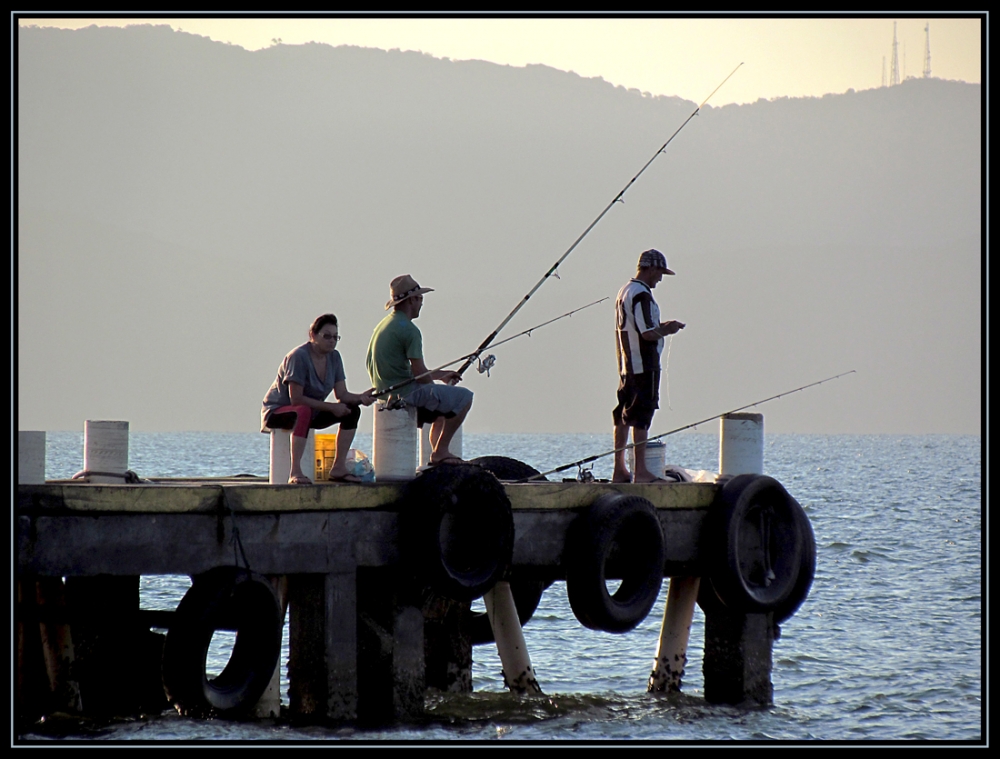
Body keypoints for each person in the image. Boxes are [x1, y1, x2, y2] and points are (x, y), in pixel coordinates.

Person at [366, 274, 473, 466]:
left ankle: (438, 454)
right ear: (412, 300)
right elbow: (420, 375)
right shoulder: (409, 330)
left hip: (387, 392)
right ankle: (440, 452)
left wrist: (441, 376)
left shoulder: (383, 326)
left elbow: (410, 371)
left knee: (440, 414)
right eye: (421, 299)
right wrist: (438, 391)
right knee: (464, 397)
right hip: (404, 395)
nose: (422, 304)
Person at [261, 314, 376, 484]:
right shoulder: (298, 357)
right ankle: (295, 471)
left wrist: (361, 397)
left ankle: (338, 468)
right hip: (278, 412)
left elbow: (342, 395)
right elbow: (296, 399)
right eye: (327, 336)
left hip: (311, 412)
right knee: (303, 411)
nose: (332, 341)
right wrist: (331, 407)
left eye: (336, 337)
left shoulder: (335, 358)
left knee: (351, 411)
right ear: (313, 335)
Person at [612, 249, 686, 483]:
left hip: (626, 365)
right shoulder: (642, 295)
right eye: (660, 273)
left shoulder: (625, 291)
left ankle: (619, 469)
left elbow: (638, 326)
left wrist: (662, 326)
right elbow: (647, 334)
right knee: (642, 415)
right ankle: (641, 471)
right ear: (650, 269)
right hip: (644, 366)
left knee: (623, 415)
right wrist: (668, 329)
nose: (660, 279)